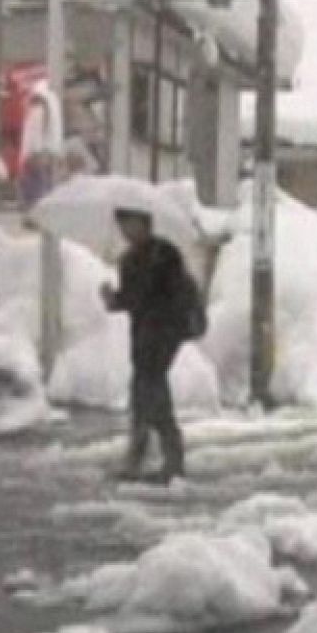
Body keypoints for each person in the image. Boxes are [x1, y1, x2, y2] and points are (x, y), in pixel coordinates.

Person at [101, 207, 202, 484]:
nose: (126, 230)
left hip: (164, 334)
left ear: (145, 223)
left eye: (131, 224)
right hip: (143, 334)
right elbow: (133, 299)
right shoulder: (128, 260)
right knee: (143, 393)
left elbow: (170, 294)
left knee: (151, 391)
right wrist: (113, 300)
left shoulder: (165, 254)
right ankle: (148, 456)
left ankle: (167, 459)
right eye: (122, 225)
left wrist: (138, 296)